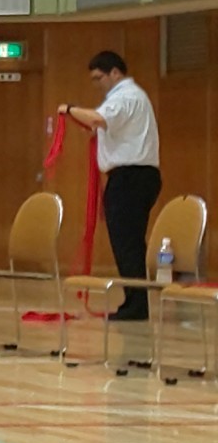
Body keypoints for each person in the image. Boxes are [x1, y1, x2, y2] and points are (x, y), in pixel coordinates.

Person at [58, 51, 161, 321]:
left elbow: (96, 119)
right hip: (132, 177)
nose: (97, 84)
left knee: (127, 244)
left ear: (115, 72)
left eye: (99, 78)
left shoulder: (125, 96)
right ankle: (135, 301)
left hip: (131, 177)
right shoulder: (130, 97)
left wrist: (69, 110)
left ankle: (137, 305)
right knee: (128, 242)